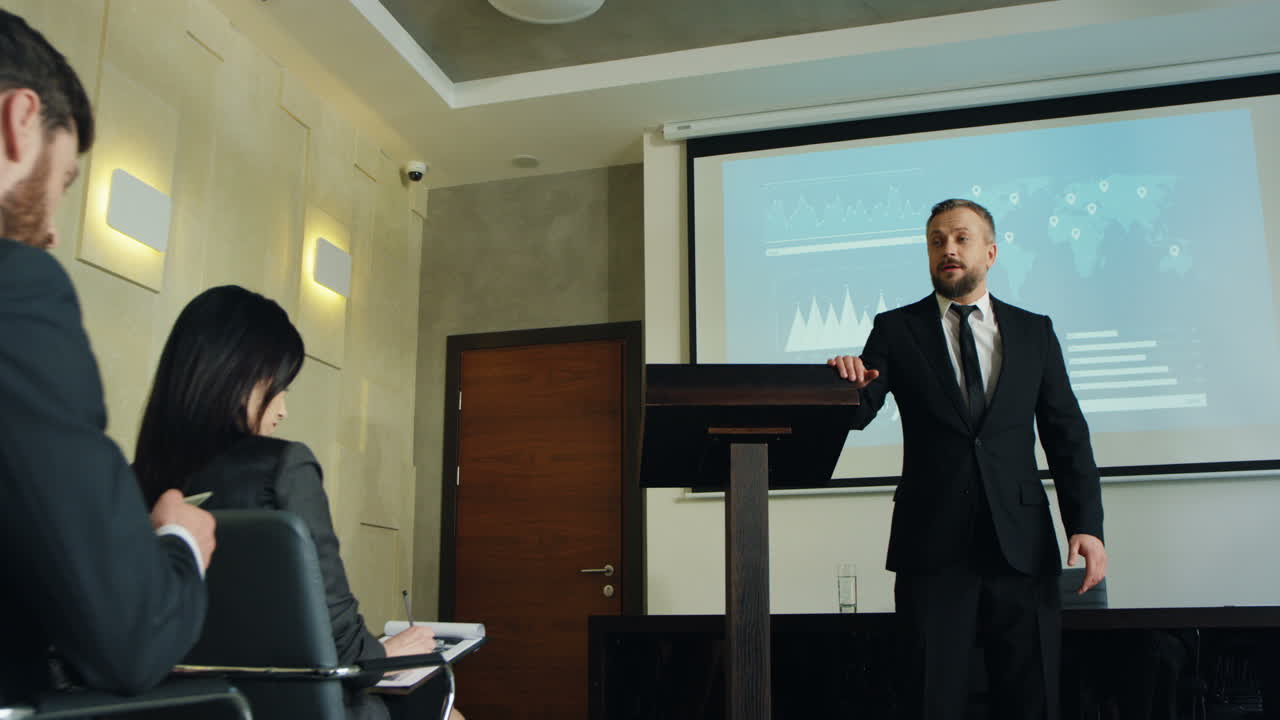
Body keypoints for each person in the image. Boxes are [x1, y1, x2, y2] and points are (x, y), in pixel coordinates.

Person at [0, 9, 215, 706]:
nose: (55, 231)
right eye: (60, 184)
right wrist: (179, 548)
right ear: (18, 121)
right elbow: (132, 634)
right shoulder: (17, 290)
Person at [828, 198, 1106, 720]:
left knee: (1033, 699)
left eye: (960, 238)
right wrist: (843, 385)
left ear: (991, 252)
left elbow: (1067, 433)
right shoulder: (895, 329)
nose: (947, 250)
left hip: (1022, 549)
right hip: (932, 550)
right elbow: (858, 412)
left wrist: (1086, 525)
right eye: (936, 241)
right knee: (930, 699)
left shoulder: (1033, 332)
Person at [132, 285, 454, 720]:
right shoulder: (283, 467)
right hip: (304, 704)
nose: (282, 409)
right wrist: (388, 651)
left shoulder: (131, 483)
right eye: (277, 387)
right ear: (237, 377)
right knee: (436, 691)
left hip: (189, 707)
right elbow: (343, 647)